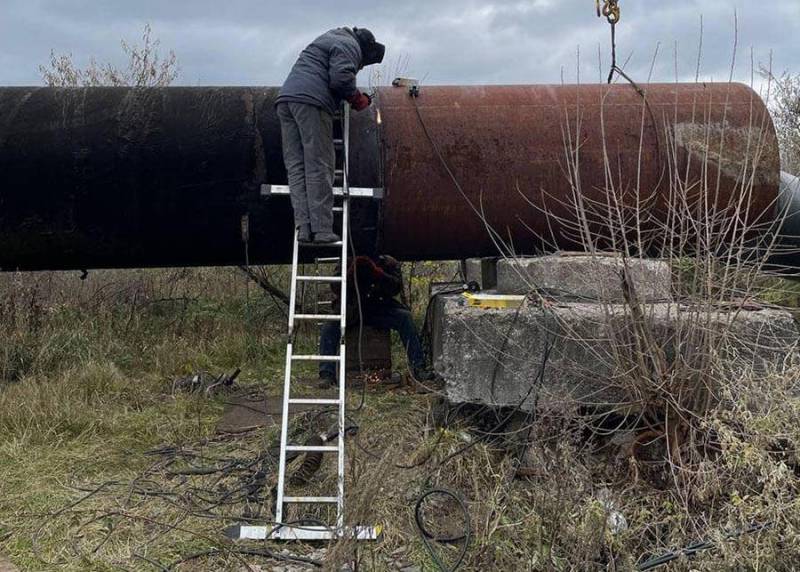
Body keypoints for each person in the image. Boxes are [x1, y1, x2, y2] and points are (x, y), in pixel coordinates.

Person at [276, 27, 385, 244]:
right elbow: (341, 78)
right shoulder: (350, 45)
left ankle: (304, 228)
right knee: (320, 164)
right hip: (311, 103)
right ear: (364, 48)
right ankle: (322, 229)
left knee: (297, 168)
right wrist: (357, 99)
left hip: (286, 101)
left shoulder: (329, 38)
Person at [318, 255, 434, 387]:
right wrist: (351, 270)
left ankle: (418, 368)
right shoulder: (346, 259)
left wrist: (377, 272)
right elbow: (335, 287)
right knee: (329, 327)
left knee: (404, 318)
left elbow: (395, 288)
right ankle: (327, 374)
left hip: (379, 308)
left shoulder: (389, 262)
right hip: (352, 310)